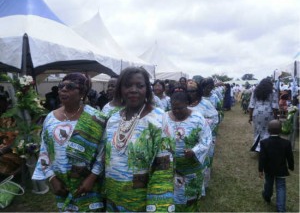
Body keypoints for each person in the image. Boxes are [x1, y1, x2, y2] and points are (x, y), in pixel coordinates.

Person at [99, 67, 174, 212]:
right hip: (113, 197)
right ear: (120, 89)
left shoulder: (158, 118)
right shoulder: (114, 119)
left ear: (147, 89)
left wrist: (158, 207)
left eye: (140, 86)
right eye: (127, 85)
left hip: (142, 200)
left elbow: (163, 167)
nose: (133, 90)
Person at [32, 73, 106, 212]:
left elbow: (104, 152)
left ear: (82, 92)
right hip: (62, 186)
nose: (63, 90)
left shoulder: (96, 118)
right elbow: (44, 150)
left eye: (70, 87)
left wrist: (91, 178)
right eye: (61, 86)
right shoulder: (50, 118)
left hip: (88, 185)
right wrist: (52, 178)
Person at [162, 91, 212, 211]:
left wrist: (194, 150)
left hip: (192, 167)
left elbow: (206, 139)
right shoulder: (163, 118)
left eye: (180, 108)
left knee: (191, 197)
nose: (177, 111)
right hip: (172, 168)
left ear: (187, 104)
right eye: (174, 108)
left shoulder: (197, 118)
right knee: (175, 197)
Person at [259, 120, 294, 212]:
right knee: (281, 187)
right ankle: (281, 209)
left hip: (269, 169)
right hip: (281, 169)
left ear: (268, 130)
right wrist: (291, 166)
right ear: (281, 130)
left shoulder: (264, 142)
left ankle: (267, 196)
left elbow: (262, 157)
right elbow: (290, 156)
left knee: (268, 184)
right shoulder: (286, 143)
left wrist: (260, 170)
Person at [249, 78, 279, 152]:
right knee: (267, 131)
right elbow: (274, 106)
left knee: (257, 130)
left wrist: (250, 117)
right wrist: (275, 118)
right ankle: (265, 148)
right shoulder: (273, 92)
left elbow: (251, 105)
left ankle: (258, 147)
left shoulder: (255, 91)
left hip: (256, 112)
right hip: (268, 113)